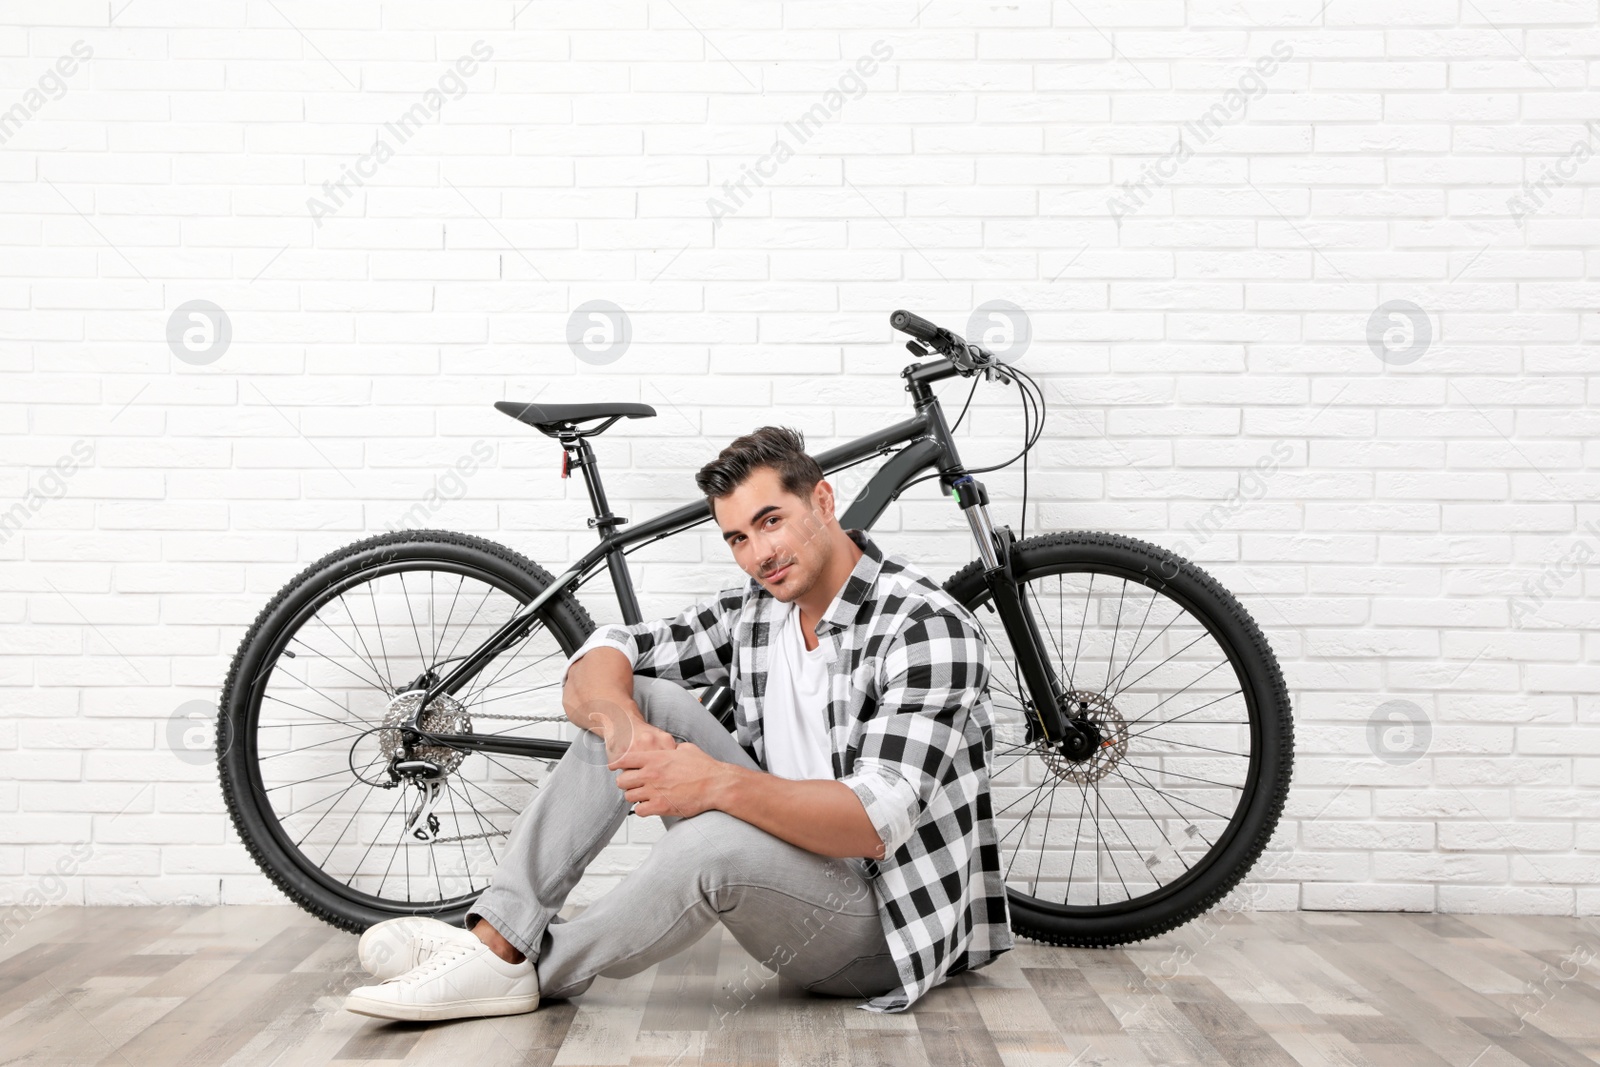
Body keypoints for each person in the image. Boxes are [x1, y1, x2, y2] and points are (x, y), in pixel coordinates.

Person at [344, 425, 1011, 1022]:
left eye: (772, 521)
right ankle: (499, 937)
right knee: (644, 696)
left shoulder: (926, 628)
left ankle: (514, 969)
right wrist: (624, 724)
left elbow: (873, 823)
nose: (760, 553)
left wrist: (714, 784)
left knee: (711, 842)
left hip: (879, 930)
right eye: (738, 538)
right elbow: (606, 652)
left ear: (824, 502)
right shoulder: (762, 609)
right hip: (790, 860)